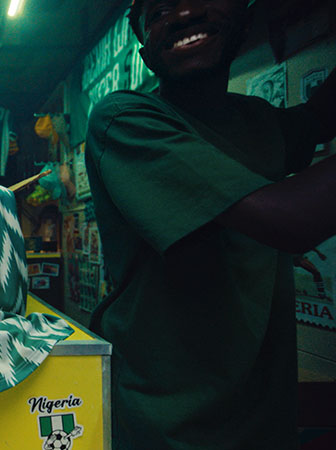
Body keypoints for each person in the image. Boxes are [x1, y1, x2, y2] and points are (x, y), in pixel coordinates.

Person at [84, 0, 336, 448]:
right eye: (158, 13)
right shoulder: (124, 119)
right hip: (171, 424)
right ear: (144, 54)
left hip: (266, 419)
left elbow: (318, 117)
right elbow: (290, 219)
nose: (182, 15)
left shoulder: (258, 120)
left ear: (242, 16)